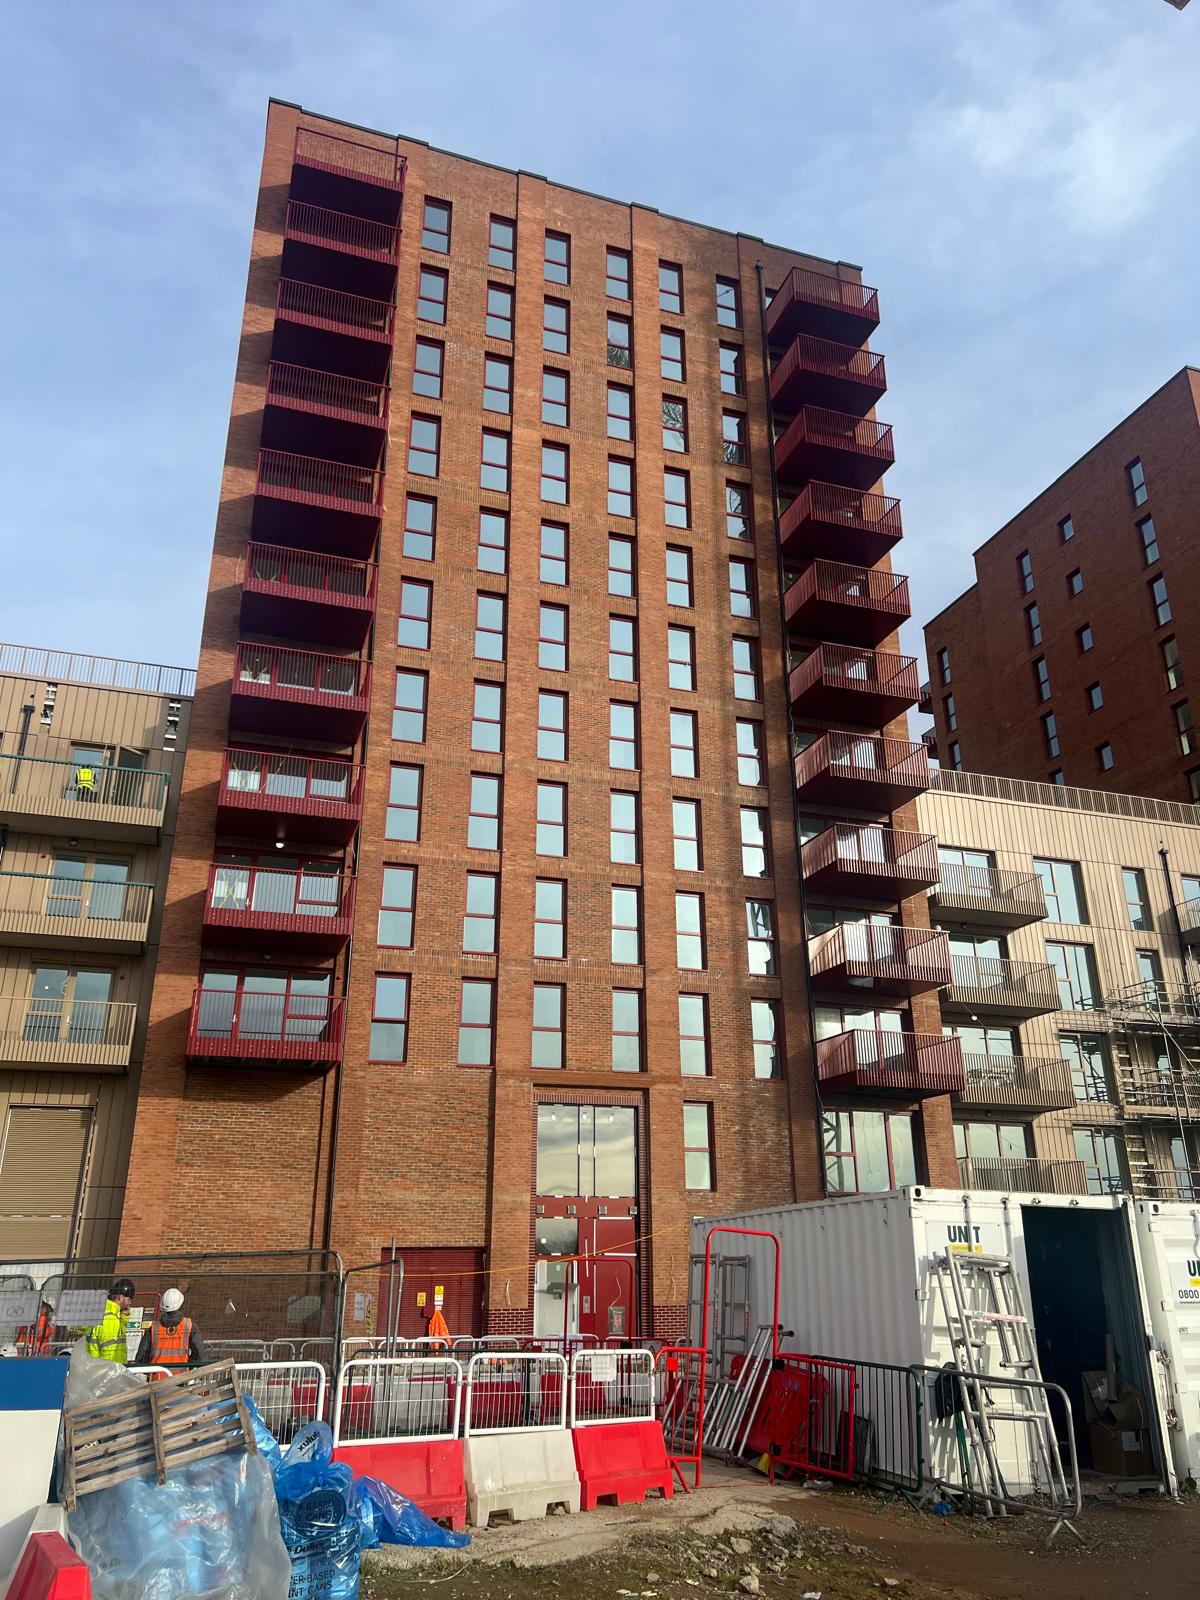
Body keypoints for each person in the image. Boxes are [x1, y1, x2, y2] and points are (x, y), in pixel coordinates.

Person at [136, 1288, 205, 1371]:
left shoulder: (154, 1327)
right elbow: (198, 1351)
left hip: (156, 1375)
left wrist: (145, 1371)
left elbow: (142, 1355)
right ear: (180, 1304)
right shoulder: (189, 1325)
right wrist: (190, 1365)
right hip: (181, 1375)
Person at [86, 1278, 135, 1364]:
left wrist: (123, 1317)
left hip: (94, 1367)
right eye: (129, 1299)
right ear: (120, 1298)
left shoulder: (102, 1314)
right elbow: (109, 1353)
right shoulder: (111, 1320)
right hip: (108, 1370)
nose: (130, 1303)